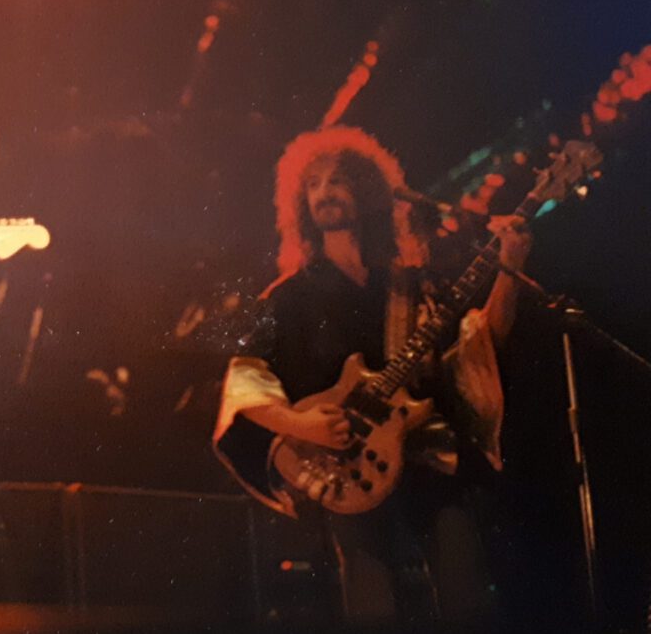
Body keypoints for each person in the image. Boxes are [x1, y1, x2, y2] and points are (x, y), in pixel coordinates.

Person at [213, 126, 531, 630]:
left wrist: (510, 265)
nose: (324, 192)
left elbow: (478, 349)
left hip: (428, 451)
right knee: (371, 607)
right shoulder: (285, 296)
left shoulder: (412, 280)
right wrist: (305, 428)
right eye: (313, 184)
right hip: (346, 465)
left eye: (337, 180)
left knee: (469, 597)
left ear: (368, 190)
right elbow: (245, 383)